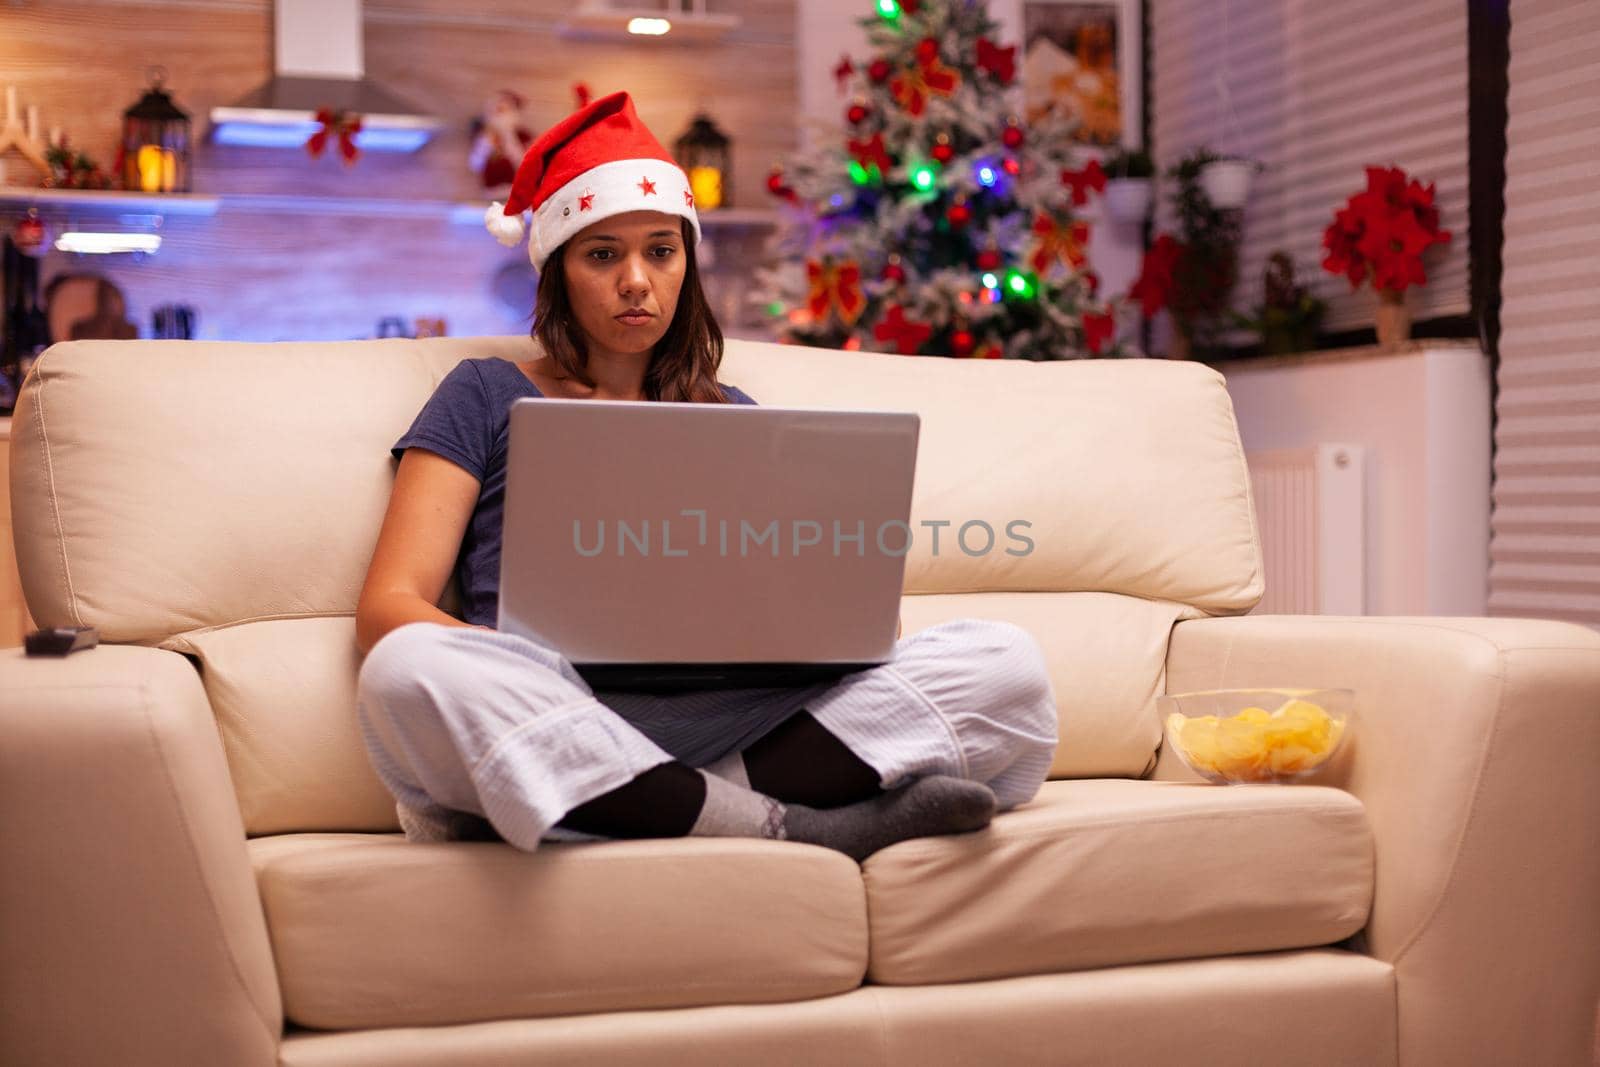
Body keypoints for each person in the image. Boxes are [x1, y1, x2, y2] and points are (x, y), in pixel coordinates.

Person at [354, 91, 1059, 861]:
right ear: (557, 268)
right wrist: (520, 670)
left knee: (1005, 663)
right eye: (602, 254)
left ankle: (625, 799)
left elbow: (841, 615)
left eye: (661, 250)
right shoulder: (483, 393)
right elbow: (388, 606)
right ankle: (803, 821)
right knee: (405, 670)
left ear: (686, 263)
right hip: (556, 704)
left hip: (741, 714)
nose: (636, 279)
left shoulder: (736, 416)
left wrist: (840, 621)